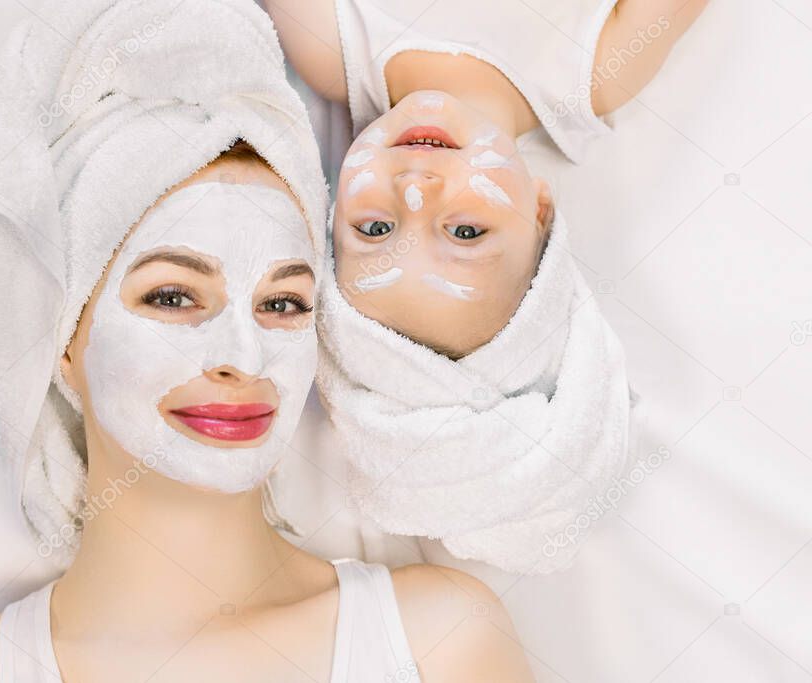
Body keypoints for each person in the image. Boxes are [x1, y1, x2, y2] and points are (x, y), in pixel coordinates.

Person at [0, 1, 536, 680]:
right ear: (64, 338)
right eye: (174, 297)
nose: (242, 360)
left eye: (282, 303)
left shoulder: (440, 639)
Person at [266, 0, 709, 573]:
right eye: (465, 231)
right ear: (541, 213)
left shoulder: (332, 46)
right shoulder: (592, 71)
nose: (416, 188)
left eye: (375, 228)